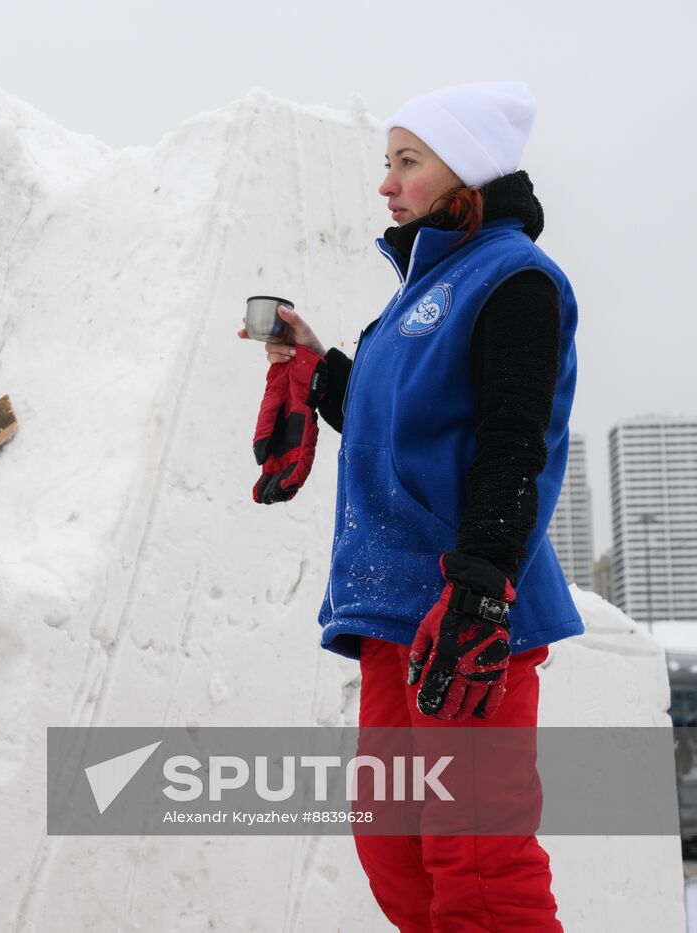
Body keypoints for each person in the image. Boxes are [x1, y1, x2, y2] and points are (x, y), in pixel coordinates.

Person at [239, 81, 578, 930]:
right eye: (387, 163)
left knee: (476, 857)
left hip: (466, 614)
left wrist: (481, 589)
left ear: (464, 170)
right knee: (394, 848)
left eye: (407, 162)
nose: (387, 184)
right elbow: (394, 433)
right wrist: (319, 366)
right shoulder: (411, 302)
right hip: (395, 616)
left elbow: (514, 441)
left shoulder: (515, 280)